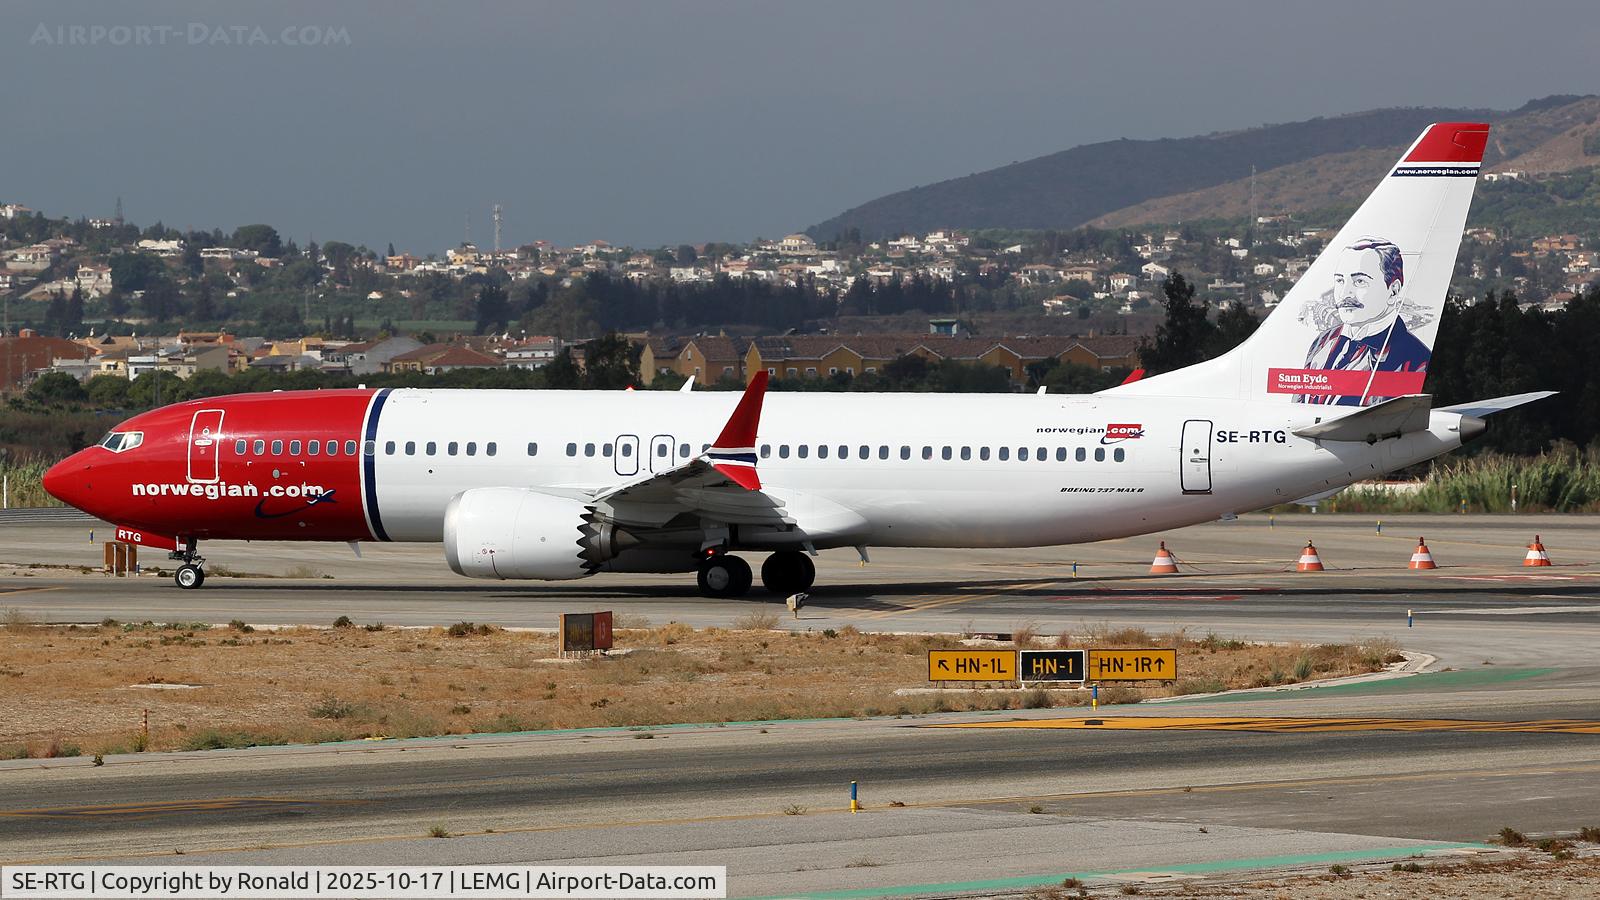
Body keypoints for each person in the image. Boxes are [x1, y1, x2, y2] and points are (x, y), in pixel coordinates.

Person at [1300, 237, 1428, 405]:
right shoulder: (1322, 341)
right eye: (1340, 280)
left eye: (1359, 281)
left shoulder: (1414, 359)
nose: (1344, 294)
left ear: (1393, 291)